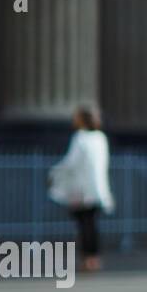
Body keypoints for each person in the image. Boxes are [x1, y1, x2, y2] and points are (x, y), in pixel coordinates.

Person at [47, 105, 114, 273]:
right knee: (91, 224)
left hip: (81, 190)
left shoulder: (80, 137)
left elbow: (71, 163)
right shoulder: (101, 138)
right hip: (97, 188)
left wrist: (54, 172)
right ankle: (94, 258)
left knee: (84, 225)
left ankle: (87, 259)